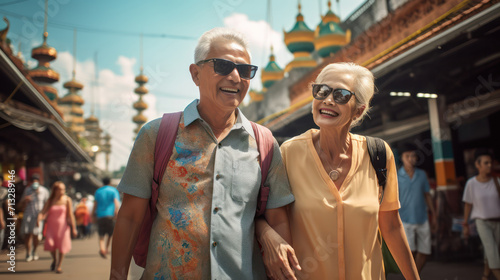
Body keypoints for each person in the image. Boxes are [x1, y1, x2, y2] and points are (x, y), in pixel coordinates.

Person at [111, 27, 295, 279]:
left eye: (244, 70)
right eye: (222, 66)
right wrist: (117, 275)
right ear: (195, 74)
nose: (235, 77)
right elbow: (131, 216)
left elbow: (277, 218)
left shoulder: (264, 143)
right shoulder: (156, 135)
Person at [258, 62, 420, 279]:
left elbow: (391, 227)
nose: (328, 100)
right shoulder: (289, 153)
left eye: (341, 95)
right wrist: (267, 235)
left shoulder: (379, 154)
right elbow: (271, 217)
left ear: (358, 110)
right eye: (321, 91)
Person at [397, 143, 437, 274]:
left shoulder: (422, 175)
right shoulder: (396, 176)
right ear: (401, 158)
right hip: (404, 219)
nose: (410, 159)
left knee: (425, 251)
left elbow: (427, 195)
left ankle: (414, 276)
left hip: (423, 218)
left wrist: (434, 215)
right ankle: (412, 276)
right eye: (407, 156)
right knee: (410, 252)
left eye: (413, 156)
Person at [462, 149, 500, 280]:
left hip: (498, 221)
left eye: (490, 162)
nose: (489, 165)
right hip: (482, 222)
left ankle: (485, 276)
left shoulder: (497, 182)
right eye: (486, 163)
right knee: (492, 251)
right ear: (477, 165)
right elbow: (468, 204)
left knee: (493, 251)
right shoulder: (471, 184)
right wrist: (465, 224)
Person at [38, 181, 77, 273]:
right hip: (51, 227)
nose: (62, 191)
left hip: (63, 227)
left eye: (63, 189)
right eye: (60, 189)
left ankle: (59, 265)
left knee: (62, 246)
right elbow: (43, 212)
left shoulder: (67, 200)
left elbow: (70, 214)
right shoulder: (50, 201)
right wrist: (39, 219)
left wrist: (74, 228)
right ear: (55, 190)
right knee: (51, 245)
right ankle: (54, 259)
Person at [19, 174, 49, 262]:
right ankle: (28, 253)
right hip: (28, 215)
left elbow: (47, 204)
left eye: (36, 181)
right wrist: (25, 200)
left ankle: (34, 251)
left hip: (38, 217)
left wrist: (44, 215)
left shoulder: (44, 191)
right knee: (27, 235)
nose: (34, 183)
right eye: (33, 181)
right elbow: (20, 204)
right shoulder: (27, 190)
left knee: (36, 236)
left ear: (39, 181)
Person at [93, 177, 120, 258]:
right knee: (110, 234)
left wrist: (92, 215)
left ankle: (102, 249)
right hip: (110, 216)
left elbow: (95, 204)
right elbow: (116, 203)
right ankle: (106, 248)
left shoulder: (98, 191)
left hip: (100, 215)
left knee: (101, 235)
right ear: (110, 182)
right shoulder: (113, 190)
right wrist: (116, 213)